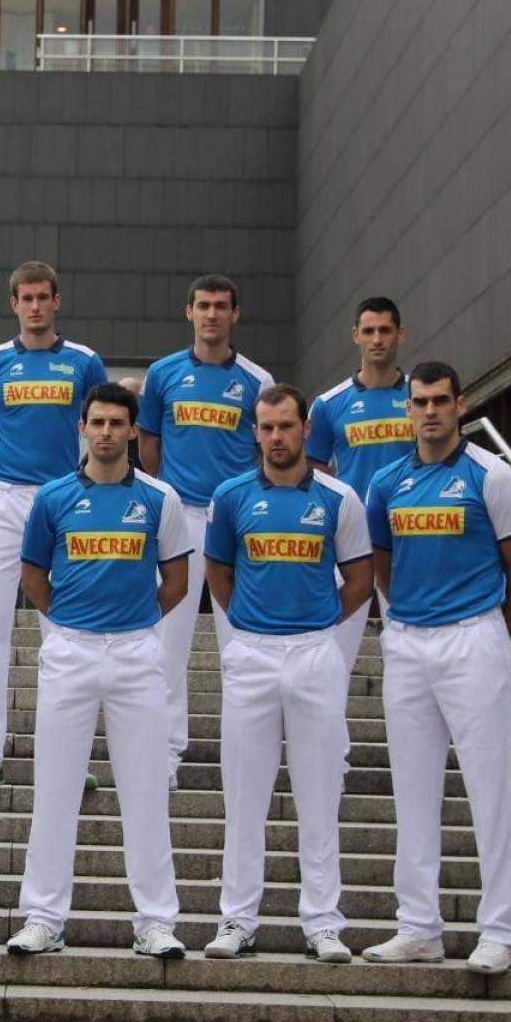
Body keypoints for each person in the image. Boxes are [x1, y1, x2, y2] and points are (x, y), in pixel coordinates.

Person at [361, 362, 511, 976]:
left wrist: (487, 630)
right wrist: (409, 621)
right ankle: (419, 926)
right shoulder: (386, 481)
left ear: (460, 405)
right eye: (420, 401)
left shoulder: (493, 476)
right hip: (408, 641)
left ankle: (500, 930)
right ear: (407, 408)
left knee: (491, 789)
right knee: (412, 789)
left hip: (473, 637)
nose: (430, 411)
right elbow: (382, 563)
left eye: (441, 400)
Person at [5, 382, 188, 960]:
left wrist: (134, 623)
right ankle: (43, 917)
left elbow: (178, 582)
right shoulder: (54, 498)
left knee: (145, 791)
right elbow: (33, 577)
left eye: (117, 423)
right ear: (82, 427)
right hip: (71, 650)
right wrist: (70, 623)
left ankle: (155, 922)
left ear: (134, 430)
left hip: (137, 652)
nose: (107, 432)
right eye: (97, 422)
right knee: (54, 790)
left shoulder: (161, 499)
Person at [202, 384, 372, 964]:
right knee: (243, 794)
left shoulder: (339, 498)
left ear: (305, 429)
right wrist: (252, 624)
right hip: (251, 653)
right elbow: (219, 574)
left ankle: (323, 921)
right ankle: (237, 919)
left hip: (315, 653)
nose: (277, 437)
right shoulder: (229, 497)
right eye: (267, 427)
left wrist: (320, 621)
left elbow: (359, 577)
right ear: (255, 431)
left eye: (286, 426)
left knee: (319, 793)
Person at [0, 261, 108, 788]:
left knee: (65, 631)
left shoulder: (85, 362)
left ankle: (66, 758)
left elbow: (99, 426)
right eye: (27, 297)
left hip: (65, 501)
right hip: (3, 501)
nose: (36, 306)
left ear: (57, 301)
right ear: (14, 304)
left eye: (45, 296)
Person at [138, 274, 274, 789]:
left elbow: (264, 450)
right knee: (166, 642)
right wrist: (169, 500)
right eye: (203, 306)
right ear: (188, 312)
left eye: (221, 306)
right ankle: (166, 755)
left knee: (238, 642)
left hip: (233, 521)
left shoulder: (257, 381)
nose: (212, 314)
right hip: (179, 517)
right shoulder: (162, 374)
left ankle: (242, 757)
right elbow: (150, 445)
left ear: (235, 314)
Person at [307, 296, 414, 669]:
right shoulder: (328, 404)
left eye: (385, 330)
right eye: (368, 331)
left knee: (408, 651)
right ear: (355, 336)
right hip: (349, 538)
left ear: (400, 334)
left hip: (407, 535)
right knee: (332, 650)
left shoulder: (423, 397)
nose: (377, 339)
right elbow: (315, 471)